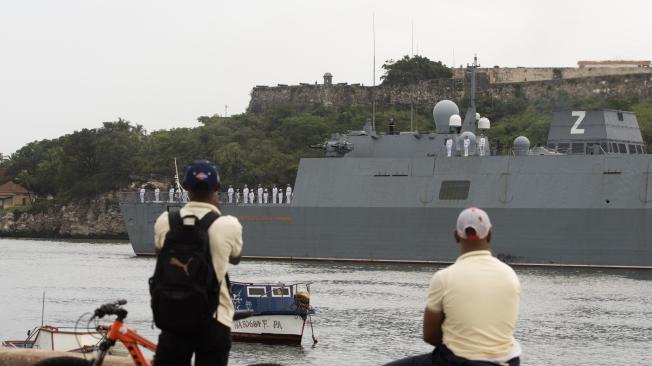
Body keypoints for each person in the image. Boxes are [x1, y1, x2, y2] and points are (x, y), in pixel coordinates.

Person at [385, 207, 521, 366]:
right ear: (490, 233)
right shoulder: (510, 275)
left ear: (456, 235)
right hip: (508, 362)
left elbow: (430, 335)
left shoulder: (444, 277)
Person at [153, 160, 243, 366]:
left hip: (173, 316)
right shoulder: (229, 225)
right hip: (215, 318)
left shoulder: (165, 221)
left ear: (185, 187)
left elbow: (160, 255)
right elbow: (235, 258)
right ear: (217, 188)